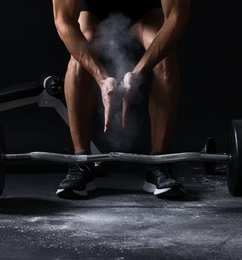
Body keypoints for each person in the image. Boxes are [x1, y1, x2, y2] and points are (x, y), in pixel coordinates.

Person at [51, 0, 191, 199]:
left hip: (146, 14)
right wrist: (101, 78)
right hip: (95, 15)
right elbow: (63, 21)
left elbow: (177, 19)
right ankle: (81, 160)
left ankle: (158, 162)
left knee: (166, 61)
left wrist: (137, 74)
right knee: (78, 63)